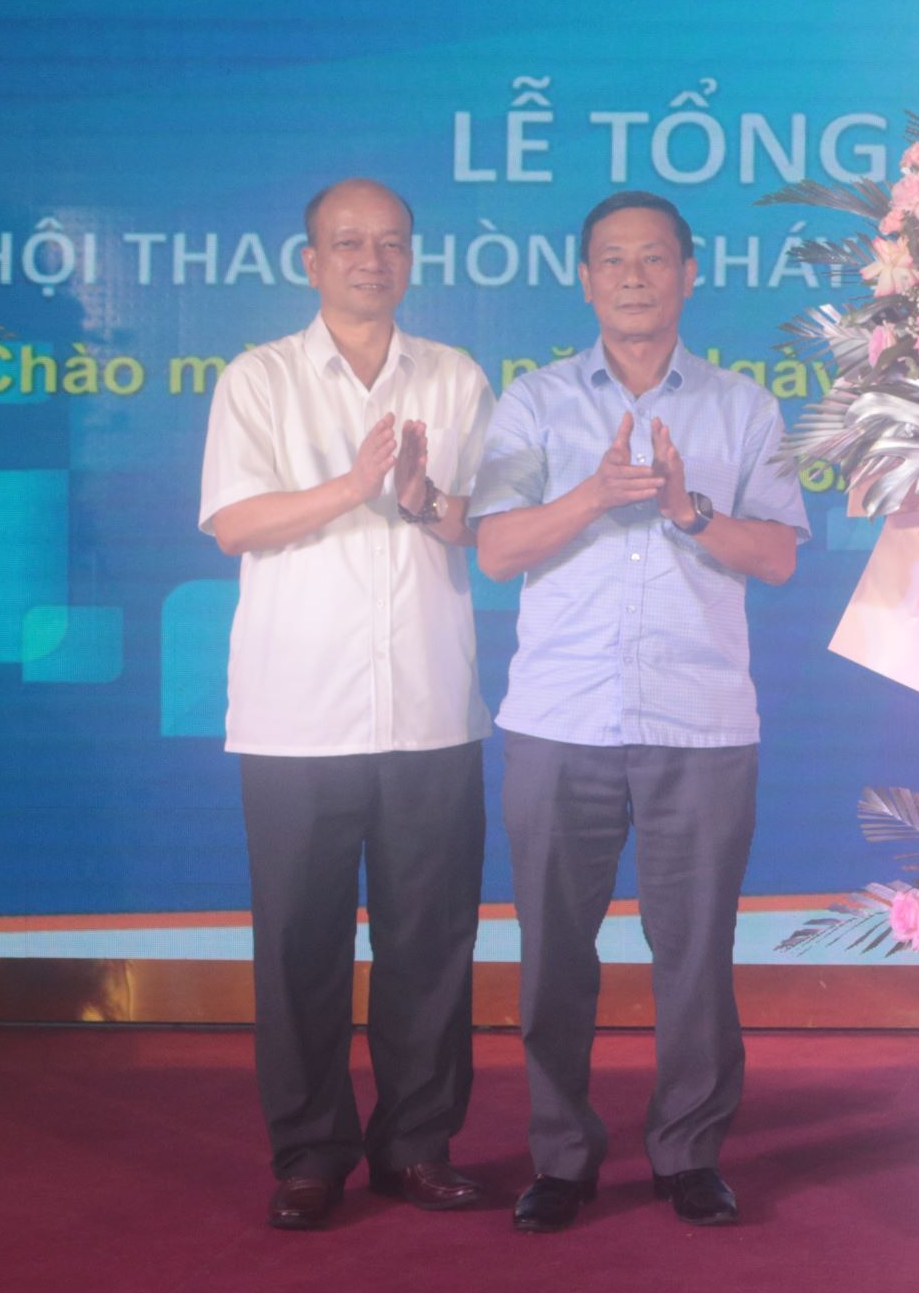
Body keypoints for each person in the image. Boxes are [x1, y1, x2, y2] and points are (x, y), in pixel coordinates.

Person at [471, 189, 805, 1234]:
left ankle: (689, 1153)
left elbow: (780, 556)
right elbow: (496, 549)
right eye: (612, 259)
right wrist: (594, 494)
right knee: (552, 955)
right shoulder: (532, 403)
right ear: (585, 280)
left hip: (699, 722)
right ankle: (562, 1158)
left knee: (694, 955)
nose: (632, 277)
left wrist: (684, 509)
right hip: (558, 719)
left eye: (653, 258)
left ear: (689, 275)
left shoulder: (743, 408)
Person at [198, 177, 496, 1231]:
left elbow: (485, 528)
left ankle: (417, 1145)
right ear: (310, 260)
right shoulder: (260, 378)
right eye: (349, 243)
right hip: (297, 713)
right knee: (299, 947)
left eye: (392, 243)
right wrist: (353, 487)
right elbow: (233, 522)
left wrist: (422, 499)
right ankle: (310, 1153)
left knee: (431, 945)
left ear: (412, 257)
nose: (373, 260)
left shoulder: (456, 378)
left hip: (430, 707)